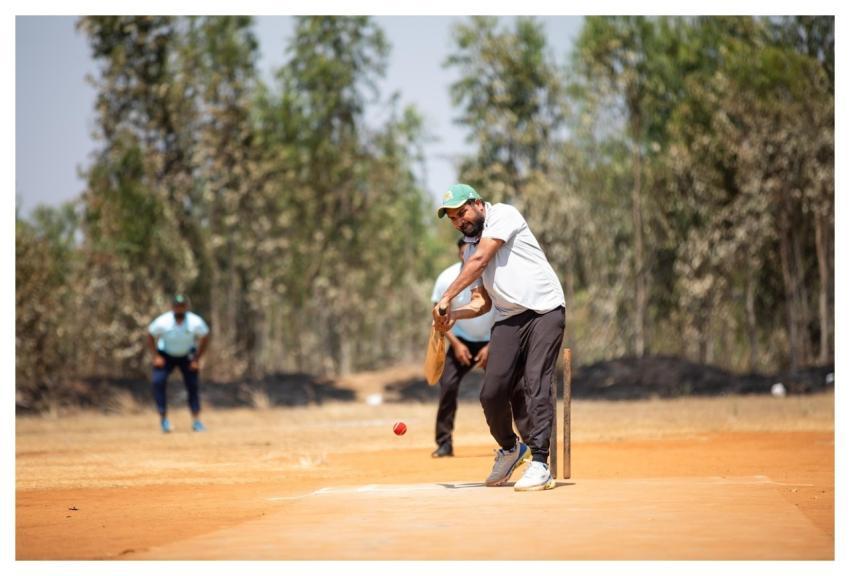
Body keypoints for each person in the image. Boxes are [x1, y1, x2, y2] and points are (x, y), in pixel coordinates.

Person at [433, 183, 565, 491]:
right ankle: (510, 448)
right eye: (452, 219)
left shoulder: (503, 215)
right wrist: (455, 316)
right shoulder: (470, 246)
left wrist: (447, 299)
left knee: (535, 382)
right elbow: (482, 302)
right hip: (508, 318)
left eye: (461, 213)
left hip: (544, 310)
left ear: (478, 204)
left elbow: (479, 262)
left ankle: (541, 463)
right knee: (491, 393)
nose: (459, 221)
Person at [430, 237, 497, 458]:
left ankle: (522, 442)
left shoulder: (492, 274)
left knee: (507, 387)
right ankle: (444, 444)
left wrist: (491, 346)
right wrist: (457, 345)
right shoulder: (447, 278)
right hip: (461, 340)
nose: (466, 255)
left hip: (493, 340)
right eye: (463, 252)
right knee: (447, 386)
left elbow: (505, 311)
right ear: (460, 254)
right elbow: (438, 315)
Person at [147, 294, 210, 433]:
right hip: (166, 355)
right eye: (177, 306)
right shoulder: (163, 321)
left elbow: (205, 336)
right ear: (172, 307)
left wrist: (197, 359)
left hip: (187, 356)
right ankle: (164, 420)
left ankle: (196, 421)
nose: (179, 309)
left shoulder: (195, 322)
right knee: (158, 382)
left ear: (186, 307)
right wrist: (156, 356)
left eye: (182, 306)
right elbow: (150, 334)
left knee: (192, 385)